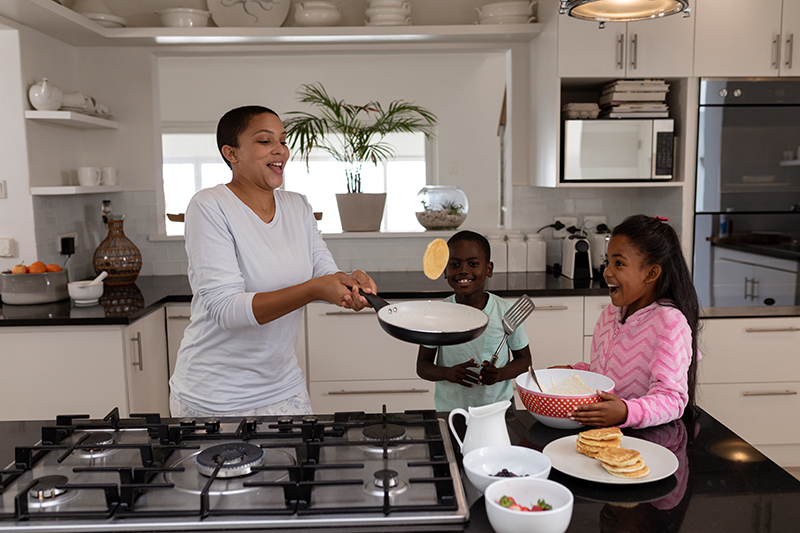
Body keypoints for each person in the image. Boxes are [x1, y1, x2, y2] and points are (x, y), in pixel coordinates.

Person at [169, 105, 377, 418]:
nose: (280, 149)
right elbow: (227, 310)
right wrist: (314, 289)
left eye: (282, 139)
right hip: (214, 396)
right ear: (232, 153)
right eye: (265, 141)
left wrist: (350, 282)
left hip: (283, 387)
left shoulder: (298, 206)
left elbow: (324, 271)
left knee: (296, 468)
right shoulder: (210, 206)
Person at [562, 215, 700, 429]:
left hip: (648, 441)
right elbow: (604, 373)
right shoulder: (610, 314)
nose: (606, 272)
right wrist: (572, 371)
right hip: (607, 434)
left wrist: (627, 412)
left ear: (651, 273)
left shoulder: (669, 323)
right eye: (607, 262)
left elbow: (672, 399)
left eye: (619, 264)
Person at [416, 230, 532, 411]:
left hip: (499, 408)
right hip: (451, 410)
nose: (463, 270)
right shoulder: (437, 315)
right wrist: (447, 373)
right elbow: (423, 367)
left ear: (489, 269)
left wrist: (499, 374)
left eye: (473, 263)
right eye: (454, 264)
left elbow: (524, 361)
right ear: (445, 271)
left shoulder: (506, 312)